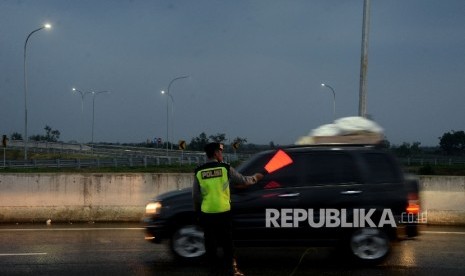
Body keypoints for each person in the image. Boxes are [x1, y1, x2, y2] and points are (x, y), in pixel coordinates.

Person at [192, 142, 263, 276]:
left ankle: (213, 269)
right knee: (227, 242)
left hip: (207, 213)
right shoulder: (225, 168)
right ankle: (229, 269)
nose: (221, 154)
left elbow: (196, 196)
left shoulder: (199, 171)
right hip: (223, 212)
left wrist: (198, 213)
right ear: (215, 153)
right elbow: (243, 180)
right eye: (220, 152)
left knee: (210, 243)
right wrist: (256, 178)